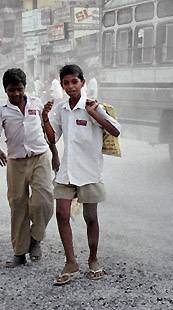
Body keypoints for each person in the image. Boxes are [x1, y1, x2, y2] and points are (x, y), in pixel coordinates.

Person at [42, 64, 121, 285]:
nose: (70, 87)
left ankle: (93, 259)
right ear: (62, 85)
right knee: (61, 214)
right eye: (65, 83)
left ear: (82, 83)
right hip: (67, 171)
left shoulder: (92, 105)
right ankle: (71, 262)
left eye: (74, 82)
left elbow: (115, 131)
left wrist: (94, 114)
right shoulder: (60, 109)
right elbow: (53, 138)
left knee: (91, 218)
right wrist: (45, 118)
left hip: (90, 171)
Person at [0, 68, 59, 268]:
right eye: (11, 90)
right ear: (5, 90)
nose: (16, 94)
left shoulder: (37, 104)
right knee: (18, 206)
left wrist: (55, 155)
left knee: (43, 202)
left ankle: (35, 239)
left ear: (24, 87)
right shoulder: (1, 111)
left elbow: (47, 131)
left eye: (19, 89)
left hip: (40, 157)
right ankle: (19, 253)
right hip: (16, 162)